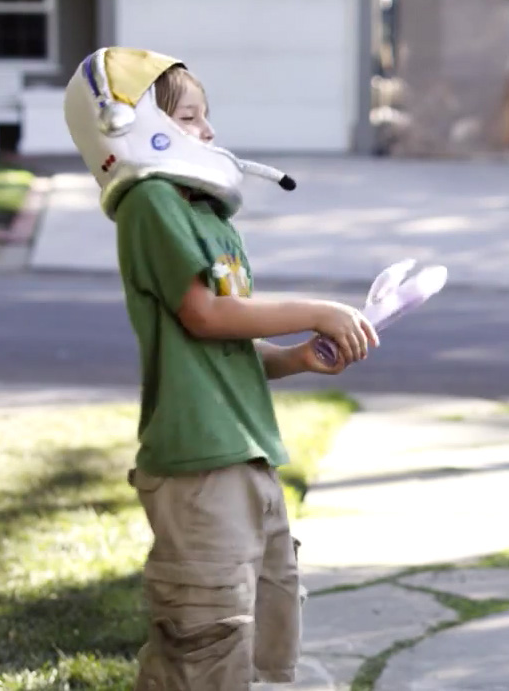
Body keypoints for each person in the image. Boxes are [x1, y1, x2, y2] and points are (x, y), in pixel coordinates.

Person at [62, 48, 379, 689]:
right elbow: (205, 315)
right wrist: (314, 310)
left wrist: (293, 358)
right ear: (129, 125)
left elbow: (220, 344)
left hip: (248, 457)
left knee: (265, 636)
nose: (208, 132)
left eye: (208, 118)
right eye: (188, 116)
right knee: (205, 644)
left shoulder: (208, 219)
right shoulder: (152, 204)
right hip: (199, 469)